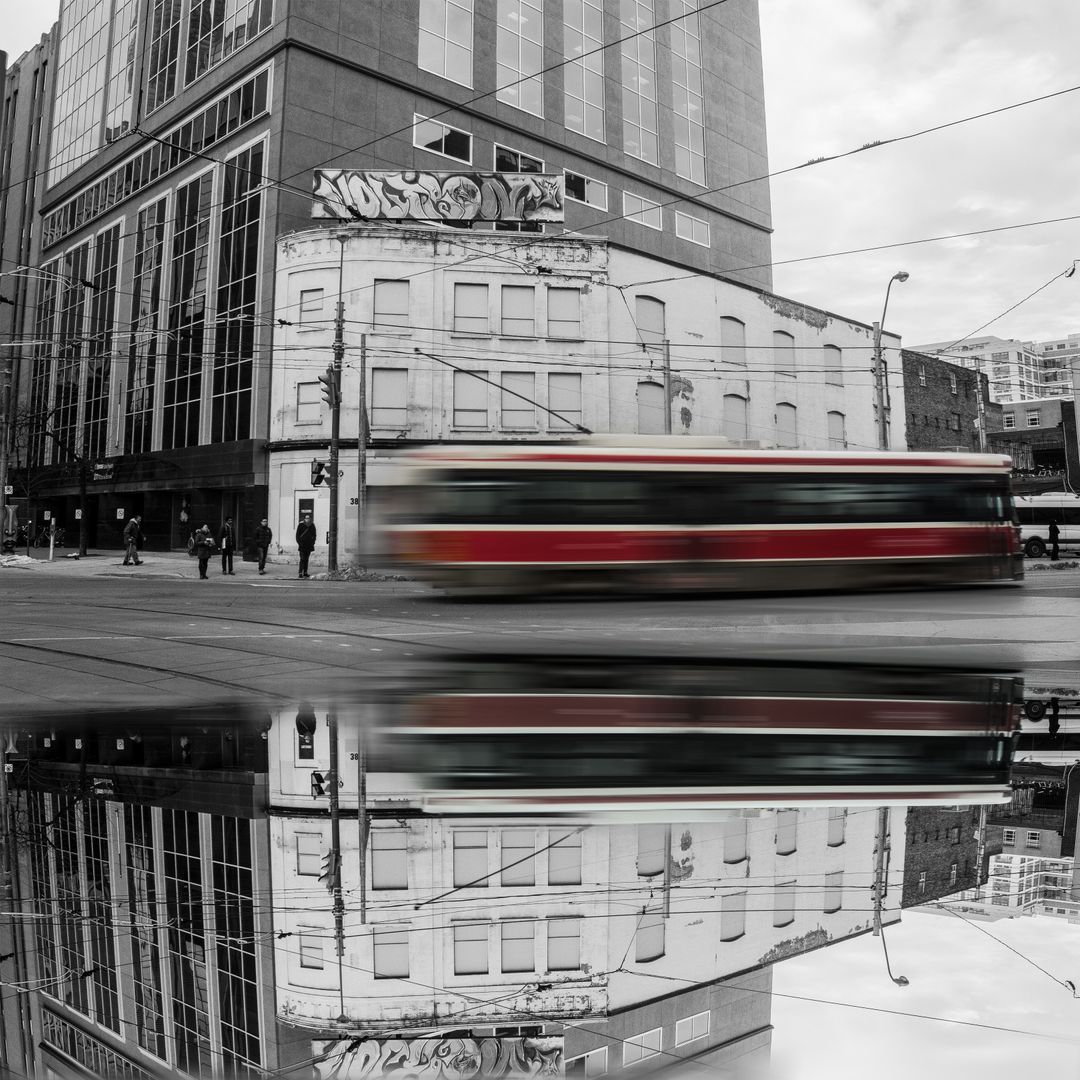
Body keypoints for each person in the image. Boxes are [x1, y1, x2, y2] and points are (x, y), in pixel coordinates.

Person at [295, 514, 317, 578]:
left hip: (309, 545)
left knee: (306, 559)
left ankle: (305, 572)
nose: (307, 519)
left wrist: (313, 542)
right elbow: (297, 535)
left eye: (308, 518)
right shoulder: (301, 525)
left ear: (310, 519)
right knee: (302, 559)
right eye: (306, 518)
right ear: (304, 519)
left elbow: (314, 535)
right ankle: (300, 572)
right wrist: (299, 543)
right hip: (302, 545)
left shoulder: (312, 525)